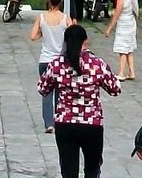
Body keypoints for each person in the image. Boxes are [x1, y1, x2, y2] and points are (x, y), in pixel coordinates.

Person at [37, 24, 121, 178]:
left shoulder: (56, 65)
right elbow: (115, 89)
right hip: (91, 124)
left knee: (68, 171)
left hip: (65, 123)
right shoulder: (98, 64)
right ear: (85, 41)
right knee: (92, 169)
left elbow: (42, 88)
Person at [28, 0, 74, 133]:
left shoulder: (41, 17)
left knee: (46, 93)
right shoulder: (66, 18)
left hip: (45, 60)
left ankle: (49, 123)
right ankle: (60, 120)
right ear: (60, 2)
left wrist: (43, 33)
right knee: (61, 93)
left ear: (49, 0)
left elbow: (32, 36)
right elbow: (74, 37)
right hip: (61, 61)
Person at [102, 0, 137, 79]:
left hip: (123, 26)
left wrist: (109, 29)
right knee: (129, 50)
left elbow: (116, 15)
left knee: (122, 50)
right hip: (131, 24)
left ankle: (121, 73)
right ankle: (132, 72)